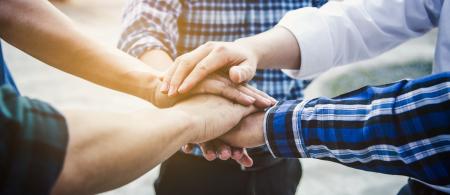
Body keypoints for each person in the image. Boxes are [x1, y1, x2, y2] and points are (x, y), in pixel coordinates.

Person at [163, 0, 450, 194]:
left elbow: (437, 119)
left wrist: (270, 123)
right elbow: (362, 16)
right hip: (193, 161)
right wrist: (253, 49)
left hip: (276, 159)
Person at [0, 0, 267, 194]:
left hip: (271, 157)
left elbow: (11, 8)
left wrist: (158, 85)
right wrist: (193, 116)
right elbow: (26, 151)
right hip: (187, 156)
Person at [118, 0, 327, 194]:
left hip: (277, 162)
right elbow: (141, 29)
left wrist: (289, 92)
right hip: (191, 164)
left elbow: (328, 31)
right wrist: (185, 94)